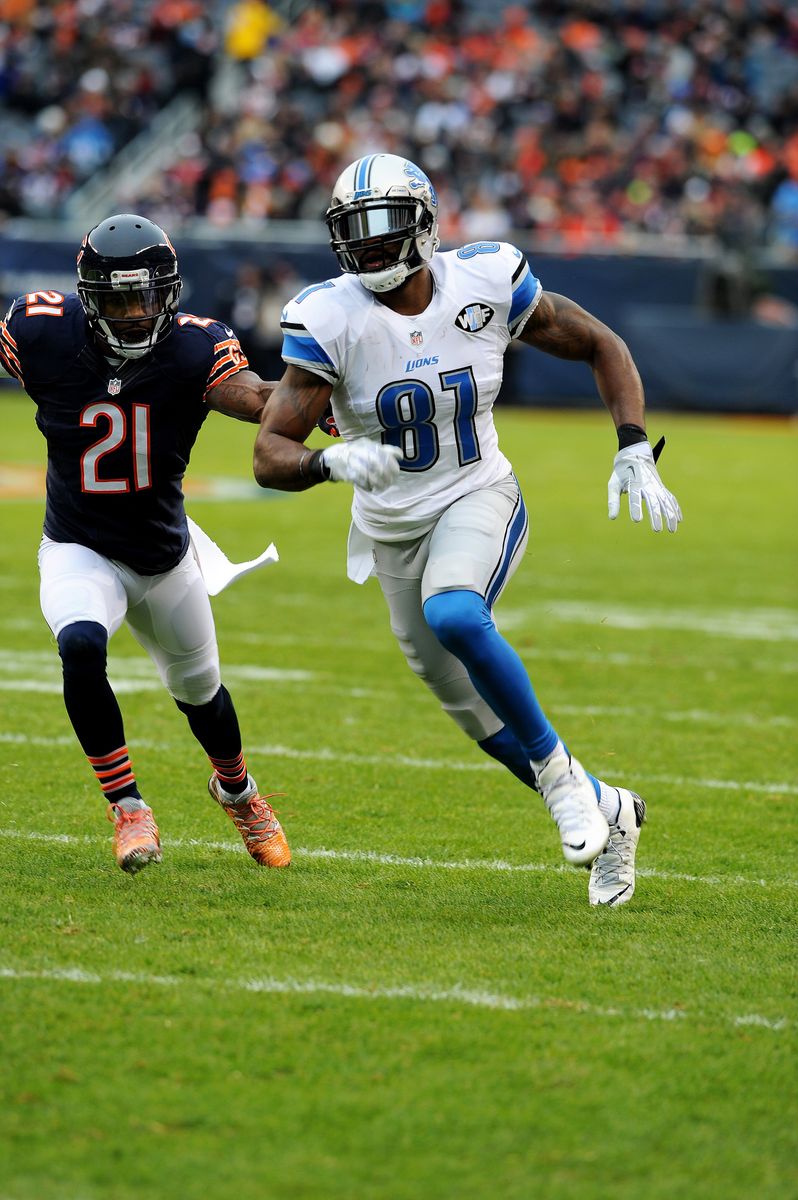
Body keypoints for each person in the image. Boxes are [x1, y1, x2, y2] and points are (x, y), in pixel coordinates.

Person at [253, 153, 682, 907]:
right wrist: (330, 463)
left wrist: (633, 443)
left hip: (477, 494)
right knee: (473, 713)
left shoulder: (486, 280)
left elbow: (600, 343)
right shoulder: (330, 315)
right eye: (356, 233)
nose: (371, 248)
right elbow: (270, 452)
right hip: (390, 528)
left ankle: (561, 784)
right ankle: (612, 809)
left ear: (424, 223)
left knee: (453, 611)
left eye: (386, 228)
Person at [0, 214, 290, 875]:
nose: (136, 314)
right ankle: (127, 806)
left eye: (148, 296)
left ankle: (239, 792)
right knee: (79, 644)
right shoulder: (39, 330)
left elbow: (249, 395)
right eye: (120, 299)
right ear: (88, 298)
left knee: (202, 697)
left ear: (171, 292)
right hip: (79, 544)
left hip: (164, 556)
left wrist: (313, 402)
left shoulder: (193, 348)